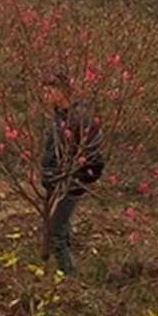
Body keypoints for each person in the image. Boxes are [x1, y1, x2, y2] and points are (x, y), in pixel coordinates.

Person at [39, 74, 104, 274]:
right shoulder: (58, 115)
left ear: (63, 91)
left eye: (50, 91)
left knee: (56, 231)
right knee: (61, 228)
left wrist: (77, 177)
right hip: (55, 180)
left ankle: (68, 276)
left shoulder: (80, 118)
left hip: (72, 182)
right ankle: (64, 272)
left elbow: (93, 154)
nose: (45, 96)